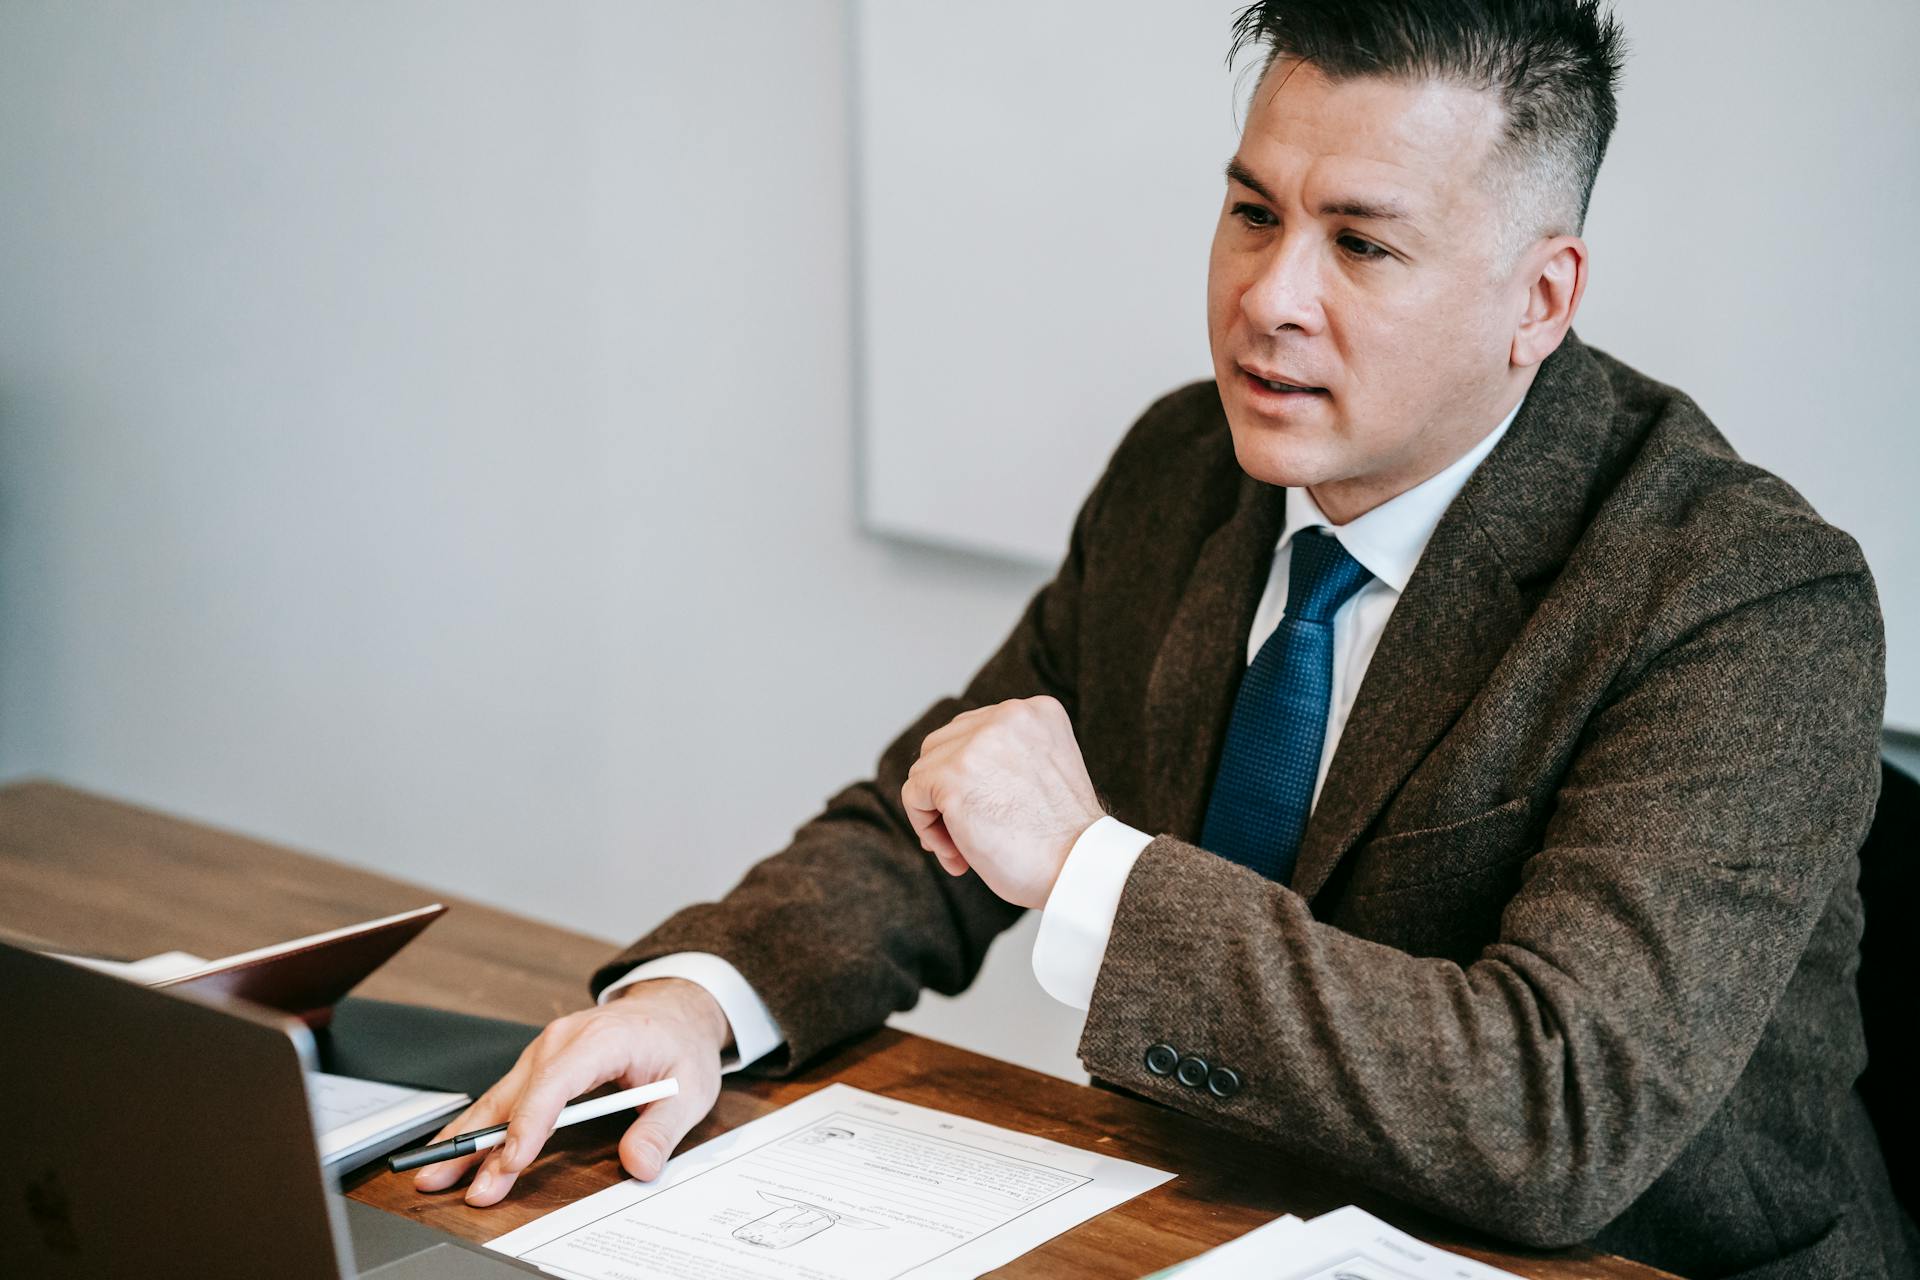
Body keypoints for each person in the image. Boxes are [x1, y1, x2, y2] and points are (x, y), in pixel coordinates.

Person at [413, 3, 1915, 1274]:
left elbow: (1560, 1113)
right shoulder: (1183, 470)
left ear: (1540, 298)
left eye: (1363, 246)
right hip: (1229, 1222)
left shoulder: (1747, 601)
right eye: (1255, 211)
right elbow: (939, 814)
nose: (1269, 299)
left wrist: (1090, 874)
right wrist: (702, 995)